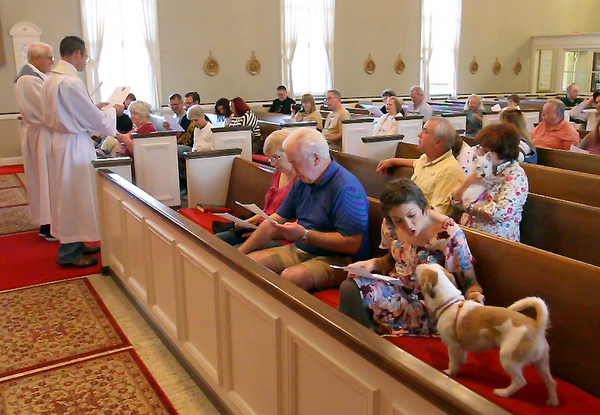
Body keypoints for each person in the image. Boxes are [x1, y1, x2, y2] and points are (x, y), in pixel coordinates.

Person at [337, 178, 484, 335]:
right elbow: (392, 260)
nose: (408, 225)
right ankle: (363, 338)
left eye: (412, 215)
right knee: (351, 285)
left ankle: (365, 338)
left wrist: (473, 308)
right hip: (397, 291)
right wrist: (371, 264)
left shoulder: (447, 233)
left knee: (350, 302)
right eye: (399, 221)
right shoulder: (389, 225)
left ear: (423, 207)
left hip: (431, 306)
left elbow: (471, 284)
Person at [238, 127, 370, 291]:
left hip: (340, 259)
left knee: (291, 277)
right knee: (249, 264)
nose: (292, 170)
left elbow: (352, 244)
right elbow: (275, 220)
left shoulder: (346, 188)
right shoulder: (304, 180)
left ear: (315, 159)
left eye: (295, 162)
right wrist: (238, 254)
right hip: (304, 248)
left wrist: (305, 235)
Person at [41, 35, 124, 268]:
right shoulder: (70, 82)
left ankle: (76, 242)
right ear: (77, 53)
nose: (85, 61)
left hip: (62, 141)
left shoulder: (51, 78)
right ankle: (69, 251)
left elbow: (74, 111)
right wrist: (112, 110)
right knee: (74, 196)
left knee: (71, 195)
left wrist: (93, 108)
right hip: (73, 145)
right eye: (85, 56)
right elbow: (97, 122)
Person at [216, 130, 297, 247]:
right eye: (270, 159)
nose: (273, 164)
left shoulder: (302, 179)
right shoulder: (279, 173)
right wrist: (248, 222)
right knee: (213, 242)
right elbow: (267, 211)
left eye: (276, 157)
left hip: (281, 237)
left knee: (232, 254)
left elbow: (297, 224)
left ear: (290, 152)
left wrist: (260, 233)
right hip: (262, 228)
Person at [451, 123, 529, 242]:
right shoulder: (482, 167)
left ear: (502, 151)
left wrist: (468, 206)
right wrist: (468, 181)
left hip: (496, 241)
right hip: (469, 233)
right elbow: (455, 201)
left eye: (485, 150)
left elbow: (499, 213)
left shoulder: (516, 174)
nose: (481, 152)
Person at [376, 117, 464, 216]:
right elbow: (416, 163)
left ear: (438, 142)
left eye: (425, 132)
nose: (419, 135)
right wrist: (393, 161)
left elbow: (438, 214)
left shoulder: (450, 171)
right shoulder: (426, 158)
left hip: (422, 225)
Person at [14, 42, 56, 241]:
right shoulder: (30, 80)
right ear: (36, 59)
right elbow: (46, 109)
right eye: (49, 57)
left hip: (40, 133)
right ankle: (49, 226)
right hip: (43, 134)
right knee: (46, 179)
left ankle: (47, 223)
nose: (52, 62)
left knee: (44, 180)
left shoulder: (32, 77)